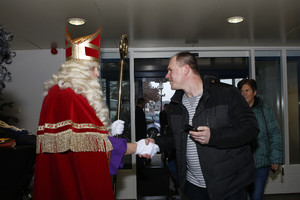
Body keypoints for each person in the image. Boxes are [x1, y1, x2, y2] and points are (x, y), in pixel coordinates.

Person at [33, 27, 159, 200]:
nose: (97, 74)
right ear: (79, 70)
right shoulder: (72, 97)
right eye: (93, 68)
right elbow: (91, 153)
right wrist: (136, 147)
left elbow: (78, 143)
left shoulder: (56, 93)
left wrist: (106, 133)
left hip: (62, 182)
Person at [144, 51, 260, 200]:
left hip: (230, 187)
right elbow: (176, 138)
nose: (167, 76)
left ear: (186, 69)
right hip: (193, 188)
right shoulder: (175, 105)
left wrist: (214, 136)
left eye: (170, 70)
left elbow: (251, 129)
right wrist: (156, 143)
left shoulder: (227, 94)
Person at [237, 79, 283, 200]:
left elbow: (275, 134)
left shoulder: (266, 111)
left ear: (255, 92)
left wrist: (276, 158)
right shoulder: (235, 112)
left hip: (261, 164)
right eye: (241, 91)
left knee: (256, 196)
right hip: (240, 164)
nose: (244, 94)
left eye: (247, 90)